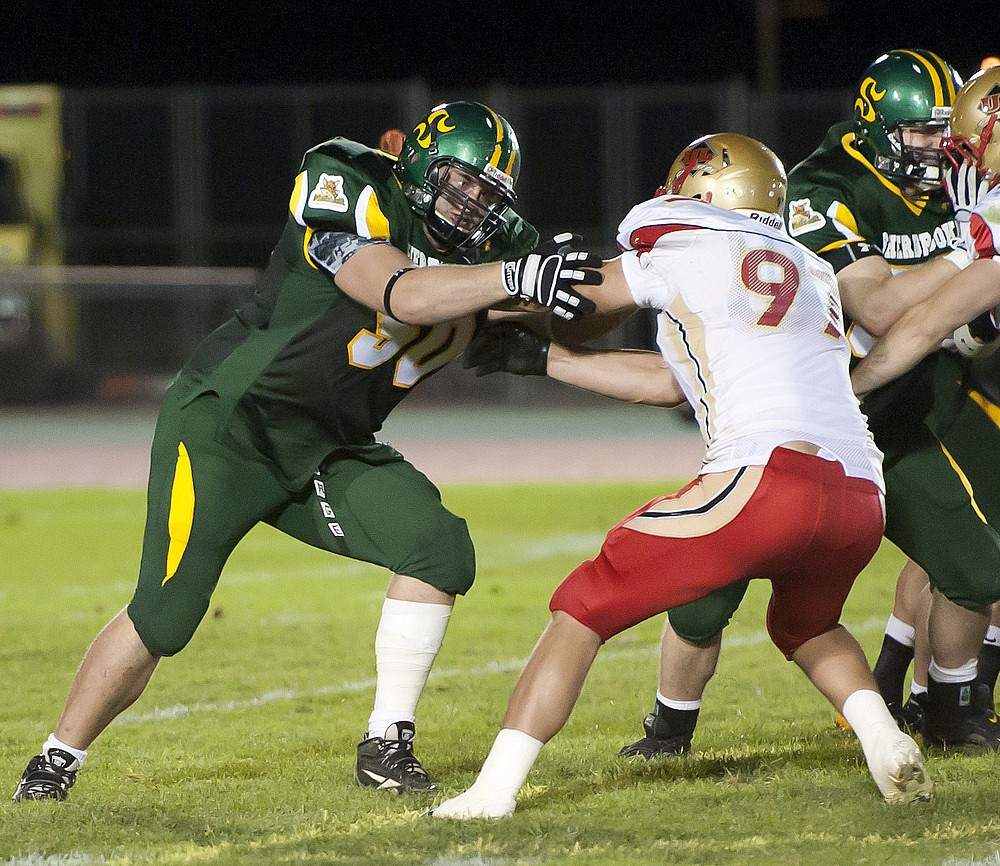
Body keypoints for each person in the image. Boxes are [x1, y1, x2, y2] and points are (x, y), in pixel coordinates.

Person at [12, 100, 601, 801]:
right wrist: (514, 281)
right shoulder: (349, 181)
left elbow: (585, 307)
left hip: (331, 444)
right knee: (165, 615)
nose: (470, 201)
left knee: (436, 547)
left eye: (486, 193)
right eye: (459, 180)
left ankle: (387, 741)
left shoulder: (494, 250)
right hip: (230, 428)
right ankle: (54, 762)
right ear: (418, 161)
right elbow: (396, 292)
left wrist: (655, 278)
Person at [429, 133, 933, 819]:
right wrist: (548, 362)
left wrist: (474, 302)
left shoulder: (685, 245)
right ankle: (885, 741)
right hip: (857, 496)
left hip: (764, 480)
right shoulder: (810, 269)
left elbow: (581, 294)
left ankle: (491, 793)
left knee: (583, 604)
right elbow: (676, 383)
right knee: (807, 624)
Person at [619, 49, 1000, 758]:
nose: (932, 148)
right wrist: (967, 251)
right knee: (708, 587)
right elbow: (882, 309)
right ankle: (669, 728)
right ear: (875, 127)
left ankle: (951, 709)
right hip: (806, 409)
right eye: (917, 133)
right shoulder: (824, 189)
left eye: (940, 133)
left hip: (910, 397)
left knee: (973, 567)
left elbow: (938, 321)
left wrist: (973, 310)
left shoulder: (957, 184)